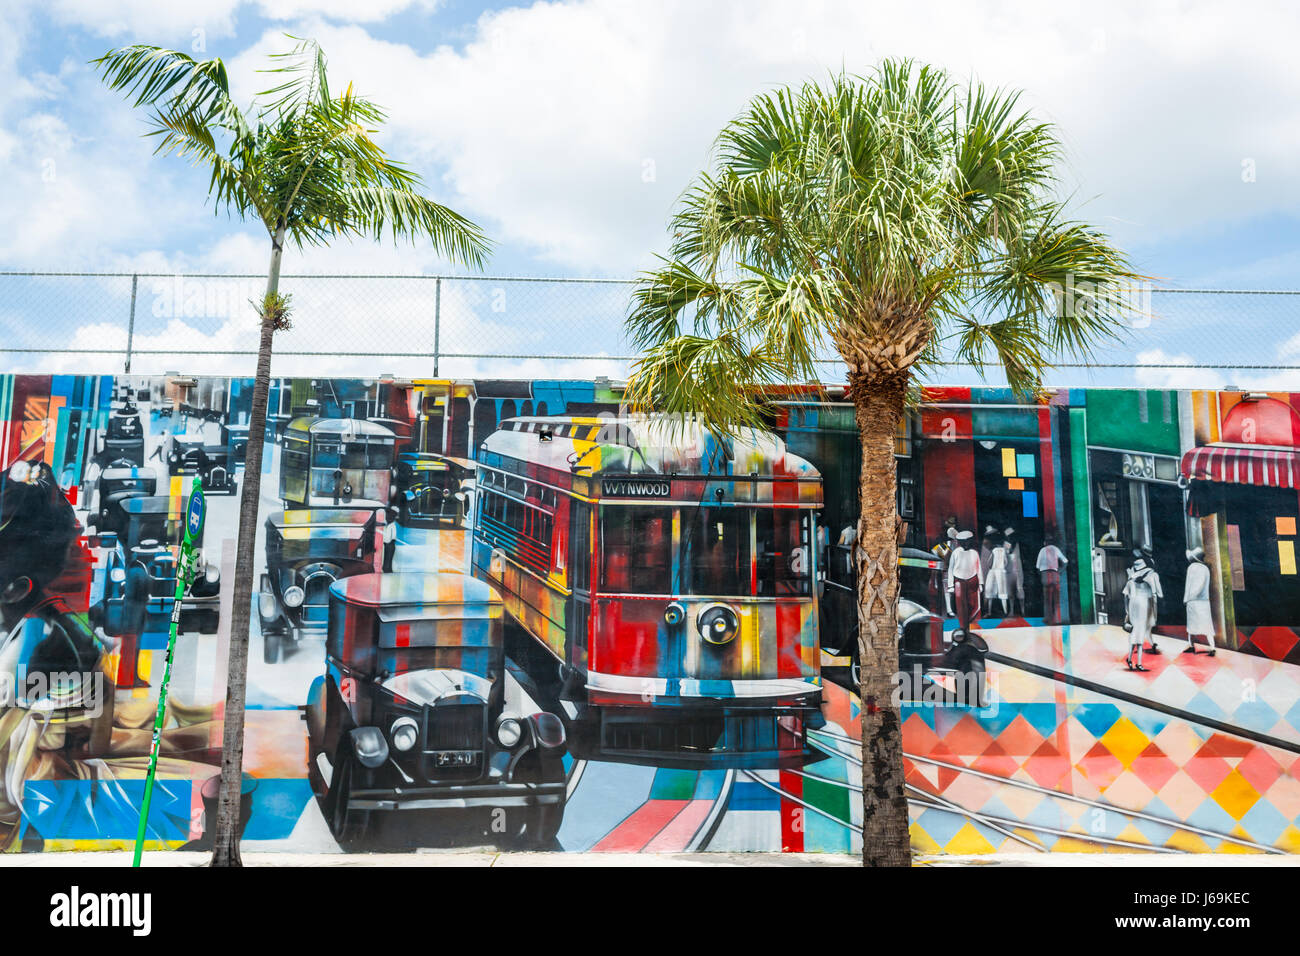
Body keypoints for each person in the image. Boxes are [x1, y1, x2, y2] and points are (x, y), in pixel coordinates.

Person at [1123, 555, 1163, 671]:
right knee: (1142, 632)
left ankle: (1131, 659)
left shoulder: (1131, 580)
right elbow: (1158, 595)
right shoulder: (1152, 575)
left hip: (1134, 606)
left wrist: (1127, 613)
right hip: (1146, 605)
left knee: (1136, 632)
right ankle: (1138, 662)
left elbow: (1126, 596)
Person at [946, 530, 983, 635]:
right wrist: (951, 585)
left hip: (973, 580)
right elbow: (951, 569)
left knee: (974, 605)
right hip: (959, 582)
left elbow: (978, 568)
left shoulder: (974, 553)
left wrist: (981, 583)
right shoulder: (955, 553)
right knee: (961, 606)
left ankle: (968, 622)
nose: (966, 543)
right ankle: (964, 628)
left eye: (968, 541)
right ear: (959, 542)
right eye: (963, 541)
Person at [1183, 547, 1216, 656]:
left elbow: (1189, 586)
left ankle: (1192, 646)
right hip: (1204, 601)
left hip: (1193, 600)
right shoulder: (1205, 569)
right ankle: (1212, 647)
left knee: (1191, 625)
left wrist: (1187, 598)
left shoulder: (1192, 568)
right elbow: (1202, 585)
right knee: (1207, 625)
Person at [1035, 534, 1069, 625]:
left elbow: (1037, 566)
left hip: (1045, 574)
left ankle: (1047, 619)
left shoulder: (1042, 550)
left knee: (1047, 599)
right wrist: (1060, 571)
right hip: (1054, 574)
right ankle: (1057, 619)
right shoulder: (1055, 549)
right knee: (1056, 598)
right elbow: (1065, 561)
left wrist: (1041, 576)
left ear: (1044, 543)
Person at [984, 538, 1010, 617]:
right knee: (1003, 592)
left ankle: (989, 612)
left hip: (993, 571)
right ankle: (1005, 612)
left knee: (990, 592)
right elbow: (1006, 562)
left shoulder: (993, 550)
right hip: (1001, 571)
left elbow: (989, 562)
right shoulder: (1003, 550)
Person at [1004, 527, 1026, 616]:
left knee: (1020, 590)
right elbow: (1004, 559)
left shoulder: (1017, 544)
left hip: (1018, 571)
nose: (1010, 537)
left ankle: (1023, 610)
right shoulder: (1005, 545)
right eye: (1008, 536)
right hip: (1009, 571)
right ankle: (1012, 611)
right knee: (1010, 592)